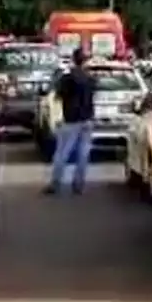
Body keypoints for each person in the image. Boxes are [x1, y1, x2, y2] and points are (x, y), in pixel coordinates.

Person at [45, 48, 97, 196]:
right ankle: (79, 184)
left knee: (62, 153)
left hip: (71, 119)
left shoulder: (67, 78)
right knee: (83, 153)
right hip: (87, 119)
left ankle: (55, 184)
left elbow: (58, 95)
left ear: (74, 59)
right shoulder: (90, 78)